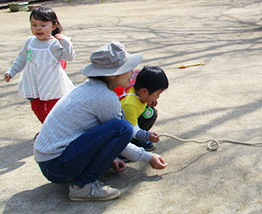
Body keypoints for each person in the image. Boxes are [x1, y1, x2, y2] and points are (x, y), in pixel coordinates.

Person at [33, 42, 168, 202]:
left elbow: (96, 133)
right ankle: (83, 187)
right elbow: (119, 136)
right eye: (128, 69)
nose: (132, 73)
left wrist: (110, 158)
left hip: (50, 162)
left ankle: (84, 177)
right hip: (58, 166)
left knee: (117, 127)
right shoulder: (105, 97)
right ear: (112, 75)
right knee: (122, 127)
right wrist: (147, 157)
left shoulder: (89, 88)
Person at [4, 7, 75, 123]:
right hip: (33, 83)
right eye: (34, 24)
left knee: (54, 110)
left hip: (51, 85)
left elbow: (69, 56)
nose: (38, 28)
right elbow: (21, 59)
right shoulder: (30, 41)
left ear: (53, 26)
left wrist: (65, 42)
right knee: (37, 108)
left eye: (43, 25)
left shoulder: (53, 45)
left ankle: (57, 131)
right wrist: (11, 71)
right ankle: (46, 130)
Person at [118, 65, 169, 151]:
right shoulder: (129, 105)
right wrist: (147, 136)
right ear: (144, 91)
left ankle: (136, 140)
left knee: (151, 113)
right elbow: (132, 129)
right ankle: (125, 148)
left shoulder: (140, 94)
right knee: (129, 131)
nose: (158, 97)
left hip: (133, 120)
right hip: (121, 130)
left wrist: (148, 104)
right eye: (157, 94)